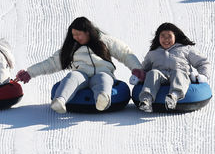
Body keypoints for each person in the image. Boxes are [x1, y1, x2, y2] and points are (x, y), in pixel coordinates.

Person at [15, 17, 143, 113]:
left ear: (87, 32)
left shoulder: (105, 41)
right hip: (81, 73)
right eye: (73, 35)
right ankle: (60, 100)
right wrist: (30, 73)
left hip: (102, 72)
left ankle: (103, 99)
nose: (76, 38)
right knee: (72, 76)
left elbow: (125, 53)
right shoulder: (72, 47)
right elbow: (51, 63)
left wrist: (137, 68)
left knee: (103, 79)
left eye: (78, 34)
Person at [136, 23, 210, 112]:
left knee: (178, 72)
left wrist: (203, 75)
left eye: (169, 36)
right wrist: (138, 76)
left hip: (180, 77)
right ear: (158, 37)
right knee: (153, 72)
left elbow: (202, 62)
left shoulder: (185, 49)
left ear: (175, 36)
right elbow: (144, 69)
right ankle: (146, 100)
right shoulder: (153, 53)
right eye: (163, 36)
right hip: (161, 77)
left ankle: (173, 97)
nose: (166, 39)